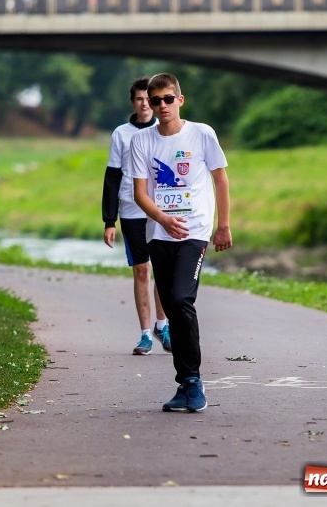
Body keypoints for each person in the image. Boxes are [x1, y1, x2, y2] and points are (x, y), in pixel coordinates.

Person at [131, 73, 232, 413]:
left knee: (179, 298)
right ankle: (185, 382)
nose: (161, 106)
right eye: (155, 100)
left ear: (180, 100)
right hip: (159, 234)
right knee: (173, 309)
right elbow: (140, 193)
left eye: (167, 99)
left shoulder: (202, 134)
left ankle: (194, 381)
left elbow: (220, 179)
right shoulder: (141, 141)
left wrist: (224, 226)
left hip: (195, 233)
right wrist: (162, 219)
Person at [102, 77, 170, 356]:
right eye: (140, 99)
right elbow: (112, 177)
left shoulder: (165, 129)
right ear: (133, 102)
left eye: (149, 99)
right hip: (131, 210)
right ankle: (145, 334)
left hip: (161, 210)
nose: (145, 104)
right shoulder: (121, 134)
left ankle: (162, 325)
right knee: (142, 270)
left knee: (163, 271)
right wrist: (109, 220)